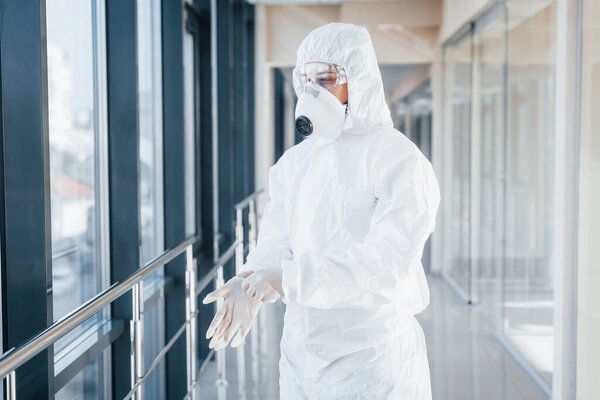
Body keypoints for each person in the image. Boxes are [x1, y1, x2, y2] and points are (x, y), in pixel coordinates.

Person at [203, 22, 440, 399]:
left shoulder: (397, 159)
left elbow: (385, 265)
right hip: (302, 357)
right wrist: (251, 280)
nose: (313, 91)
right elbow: (277, 240)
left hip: (374, 362)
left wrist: (289, 279)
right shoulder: (295, 164)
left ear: (357, 79)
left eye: (326, 79)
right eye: (306, 79)